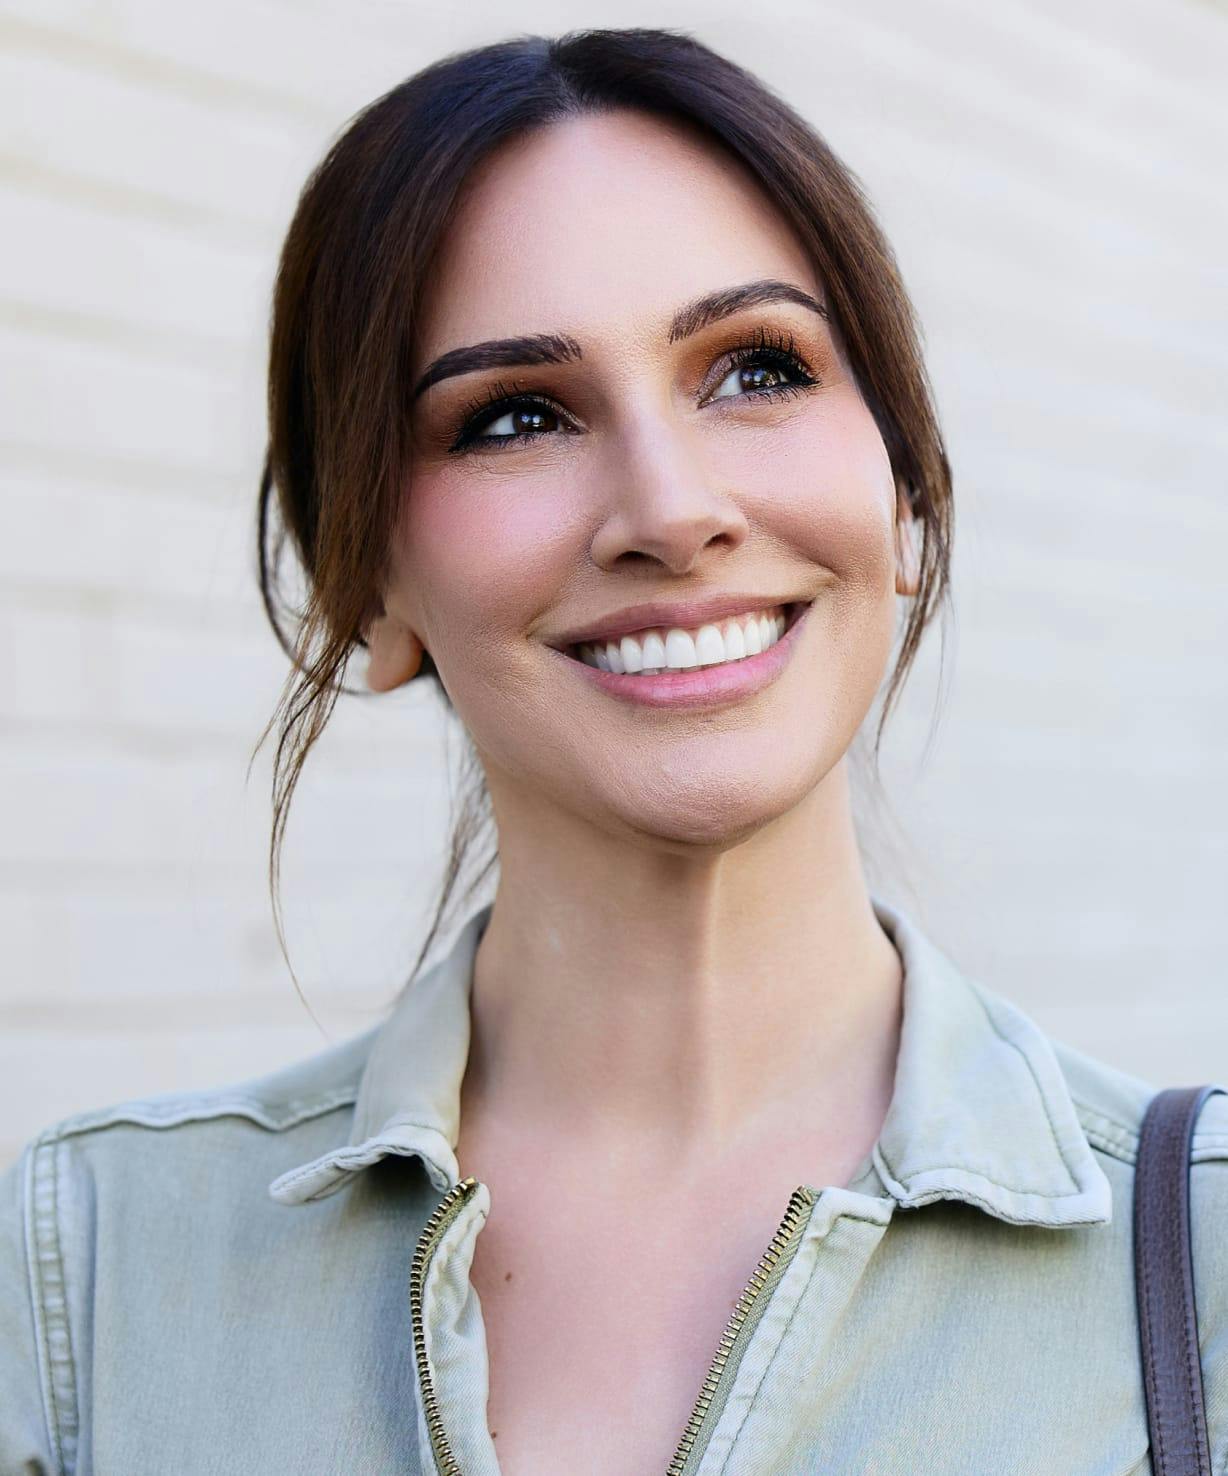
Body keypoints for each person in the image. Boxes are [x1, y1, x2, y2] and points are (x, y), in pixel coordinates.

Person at [2, 26, 1225, 1476]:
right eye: (517, 415)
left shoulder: (1198, 1265)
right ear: (367, 591)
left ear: (904, 494)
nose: (670, 505)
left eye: (757, 369)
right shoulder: (91, 1272)